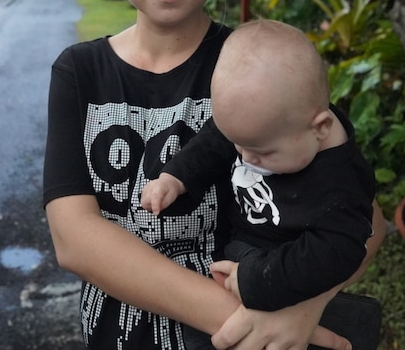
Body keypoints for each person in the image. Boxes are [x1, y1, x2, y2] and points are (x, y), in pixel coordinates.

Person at [42, 0, 386, 350]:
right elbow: (75, 239)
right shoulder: (80, 71)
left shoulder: (258, 65)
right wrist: (248, 319)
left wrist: (301, 307)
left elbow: (366, 220)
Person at [142, 19, 377, 350]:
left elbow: (340, 250)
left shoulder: (339, 186)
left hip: (280, 263)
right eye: (240, 146)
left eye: (263, 152)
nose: (246, 158)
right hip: (244, 247)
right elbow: (217, 139)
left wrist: (257, 278)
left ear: (321, 127)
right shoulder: (271, 124)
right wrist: (176, 177)